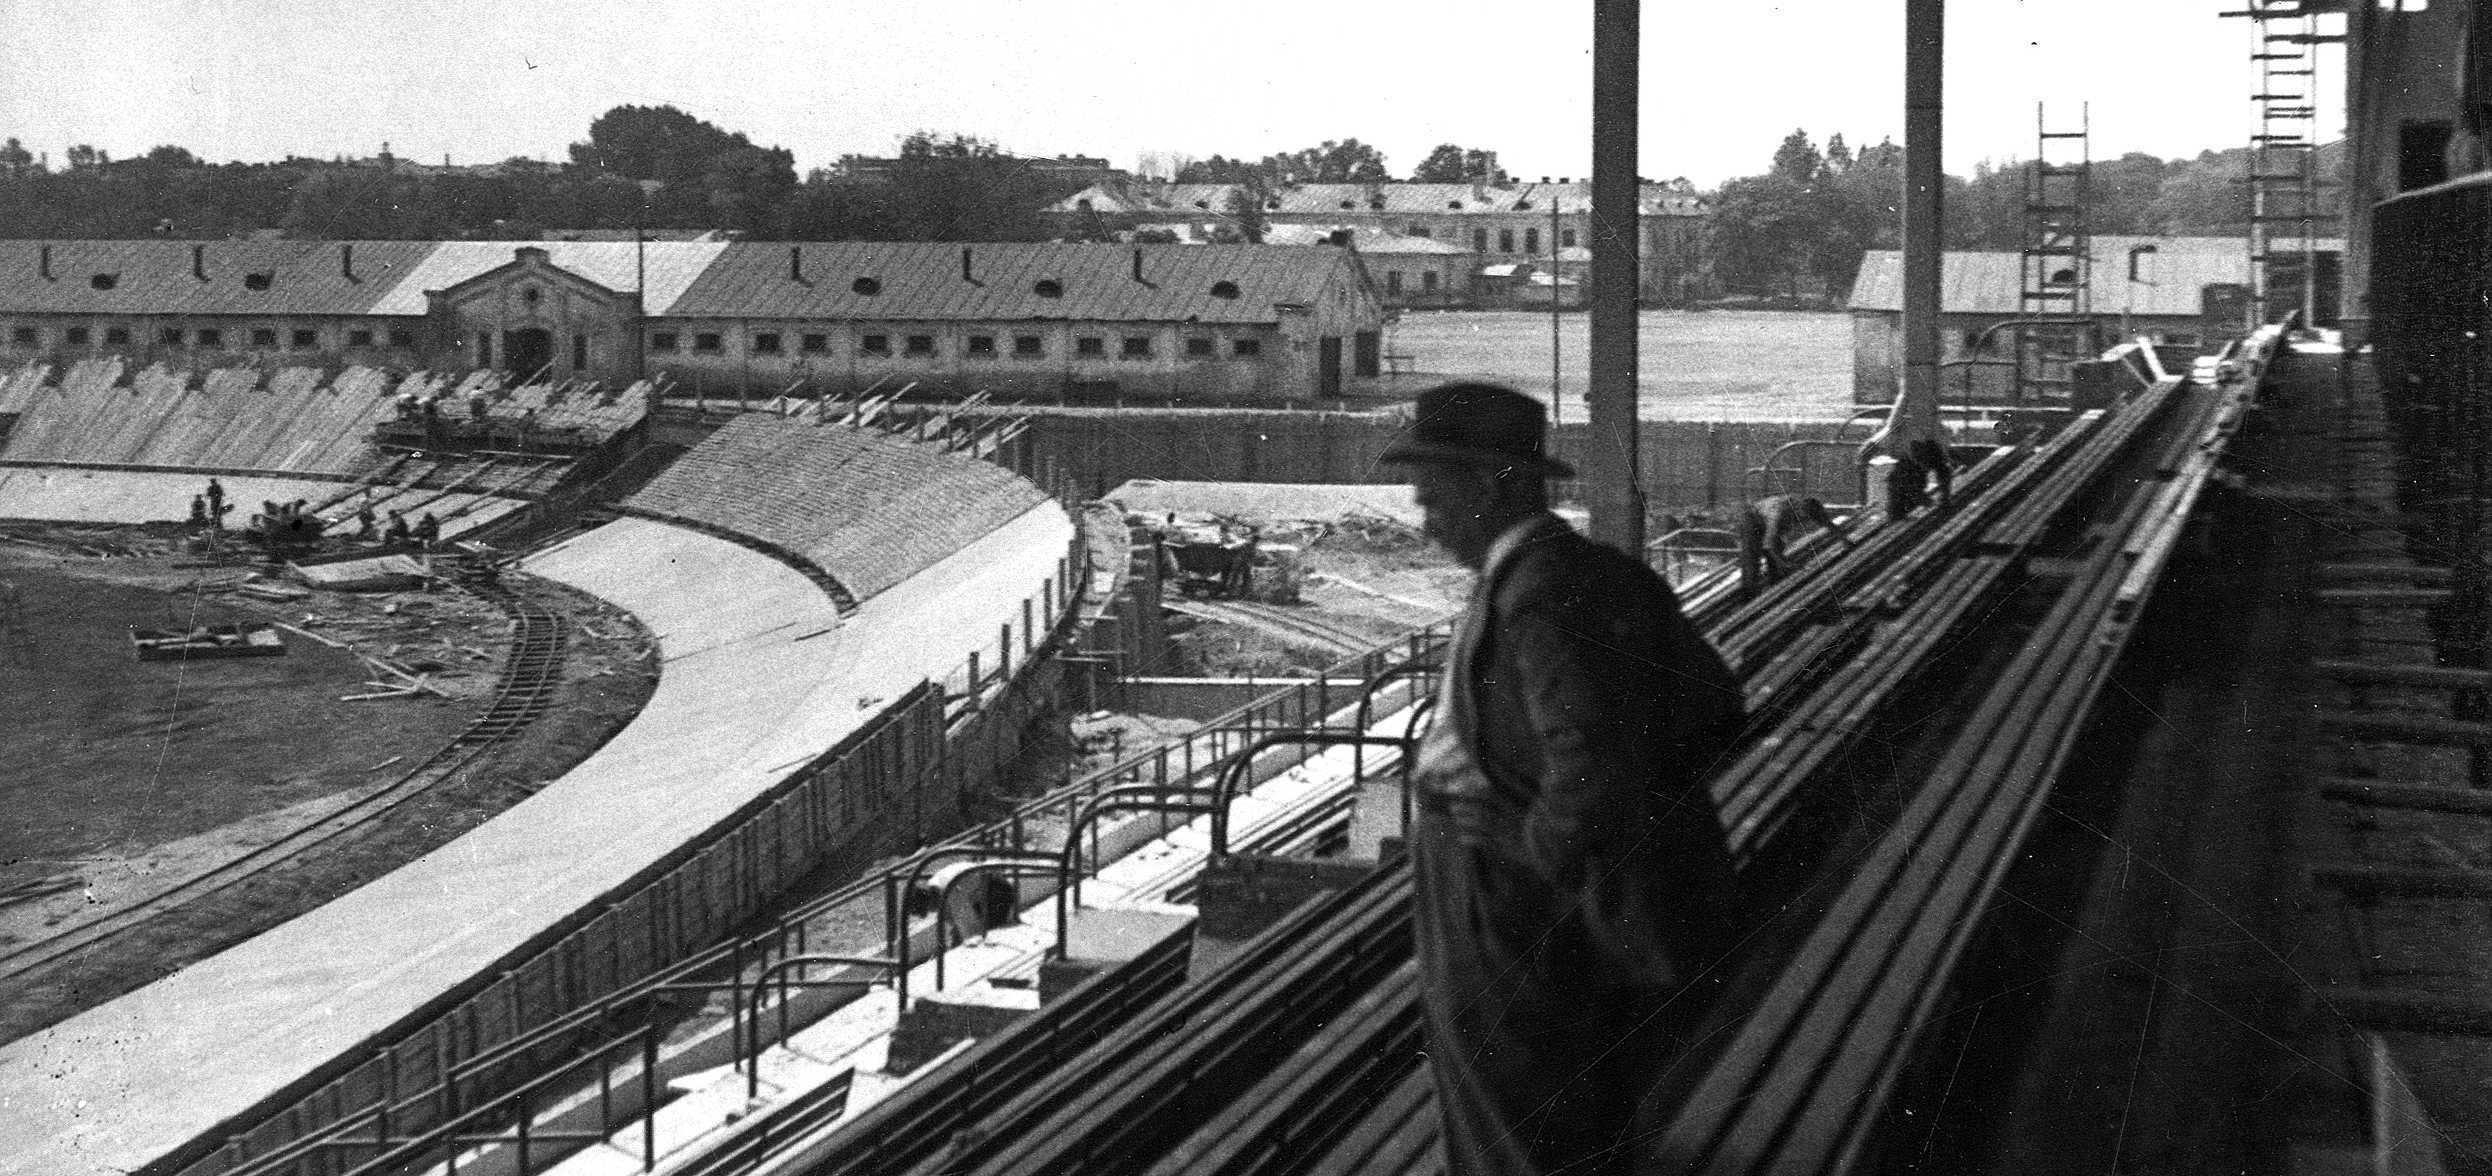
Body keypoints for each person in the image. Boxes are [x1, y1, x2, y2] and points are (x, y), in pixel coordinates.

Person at [1380, 382, 1749, 1176]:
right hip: (1542, 885)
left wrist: (1529, 841)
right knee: (1554, 1098)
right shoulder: (1594, 572)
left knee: (1509, 1105)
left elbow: (1592, 763)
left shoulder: (1538, 595)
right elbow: (1718, 705)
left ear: (1492, 484)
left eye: (1434, 495)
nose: (1426, 518)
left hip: (1500, 890)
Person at [1737, 493, 1853, 594]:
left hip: (1768, 522)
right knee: (1752, 559)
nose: (1805, 521)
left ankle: (1775, 588)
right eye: (1804, 518)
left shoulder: (1811, 509)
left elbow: (1829, 524)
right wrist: (1784, 563)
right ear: (1799, 511)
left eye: (1808, 519)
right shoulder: (1779, 512)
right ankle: (1748, 595)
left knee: (1776, 561)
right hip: (1752, 520)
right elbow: (1768, 545)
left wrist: (1845, 540)